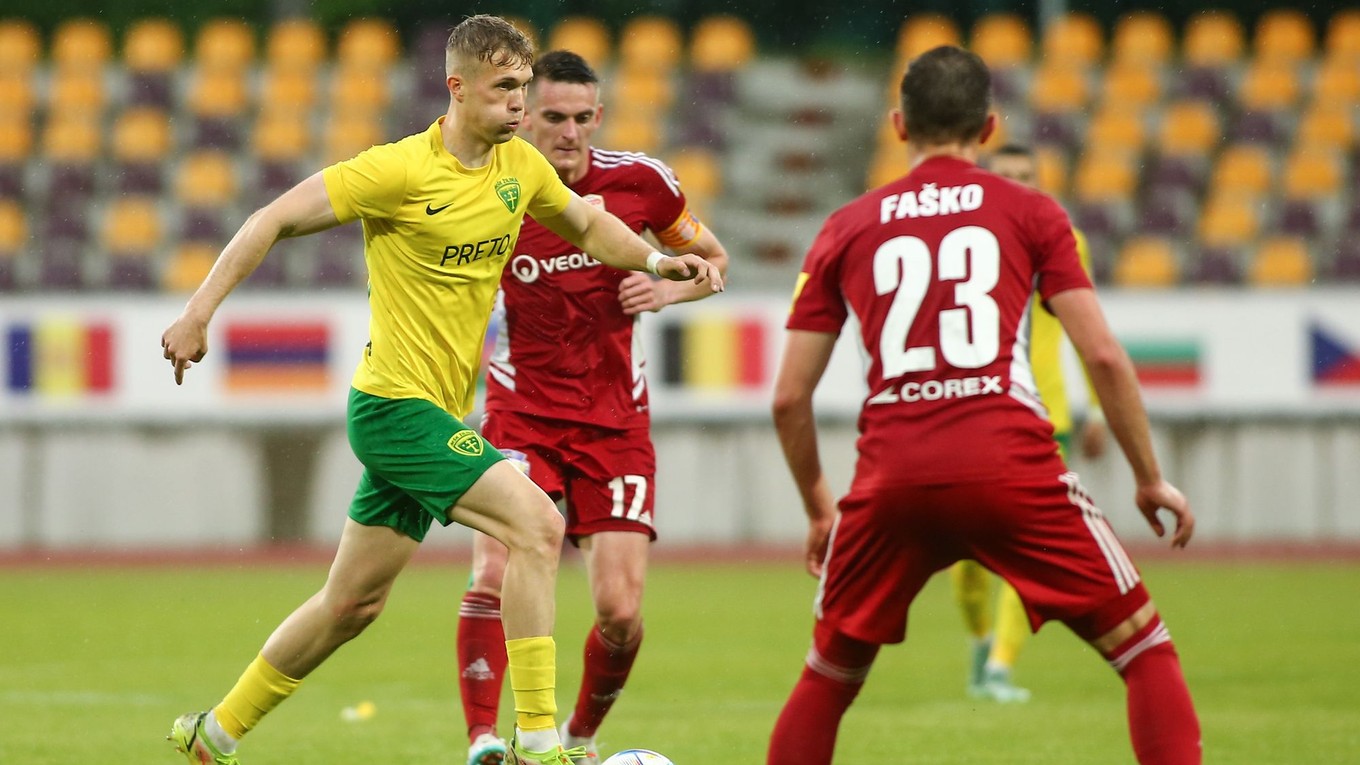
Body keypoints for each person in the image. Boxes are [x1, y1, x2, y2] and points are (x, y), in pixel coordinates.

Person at [160, 16, 722, 765]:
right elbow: (272, 218)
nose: (520, 105)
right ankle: (539, 742)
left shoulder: (519, 166)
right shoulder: (395, 171)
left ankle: (214, 733)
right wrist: (198, 313)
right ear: (456, 89)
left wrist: (655, 264)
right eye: (505, 90)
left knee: (350, 604)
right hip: (395, 409)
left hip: (431, 412)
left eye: (525, 87)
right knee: (537, 527)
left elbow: (589, 224)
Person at [766, 46, 1201, 764]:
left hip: (891, 477)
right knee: (1144, 649)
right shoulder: (1030, 211)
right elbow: (1102, 355)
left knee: (828, 676)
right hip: (1009, 464)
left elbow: (789, 397)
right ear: (991, 127)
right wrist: (1148, 475)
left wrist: (820, 507)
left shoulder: (847, 225)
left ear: (899, 126)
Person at [456, 49, 730, 765]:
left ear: (597, 117)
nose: (569, 132)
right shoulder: (492, 187)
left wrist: (670, 290)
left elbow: (713, 262)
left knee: (620, 610)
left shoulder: (642, 184)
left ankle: (578, 739)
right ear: (525, 114)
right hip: (522, 415)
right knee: (494, 567)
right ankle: (484, 739)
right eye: (553, 117)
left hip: (616, 422)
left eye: (582, 118)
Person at [950, 143, 1110, 703]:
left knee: (1029, 548)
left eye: (1027, 175)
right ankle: (980, 639)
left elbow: (1085, 329)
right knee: (966, 561)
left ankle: (1000, 664)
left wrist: (1093, 406)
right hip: (974, 410)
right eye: (1008, 176)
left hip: (1047, 411)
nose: (1020, 184)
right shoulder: (957, 240)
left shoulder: (1062, 238)